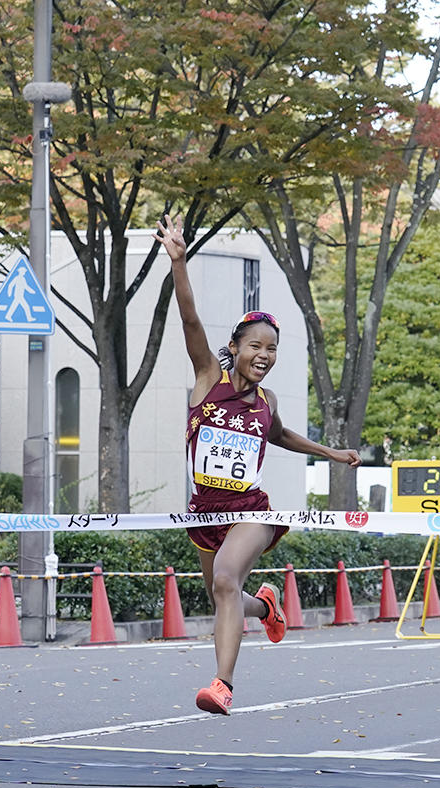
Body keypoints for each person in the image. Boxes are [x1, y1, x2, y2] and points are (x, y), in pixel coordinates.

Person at [157, 215, 361, 716]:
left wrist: (330, 453)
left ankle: (222, 687)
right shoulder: (209, 377)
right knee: (224, 594)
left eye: (272, 349)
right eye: (255, 346)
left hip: (251, 509)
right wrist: (180, 263)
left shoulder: (266, 399)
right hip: (204, 513)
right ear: (234, 349)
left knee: (226, 580)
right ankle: (266, 606)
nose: (264, 355)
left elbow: (281, 435)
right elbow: (189, 321)